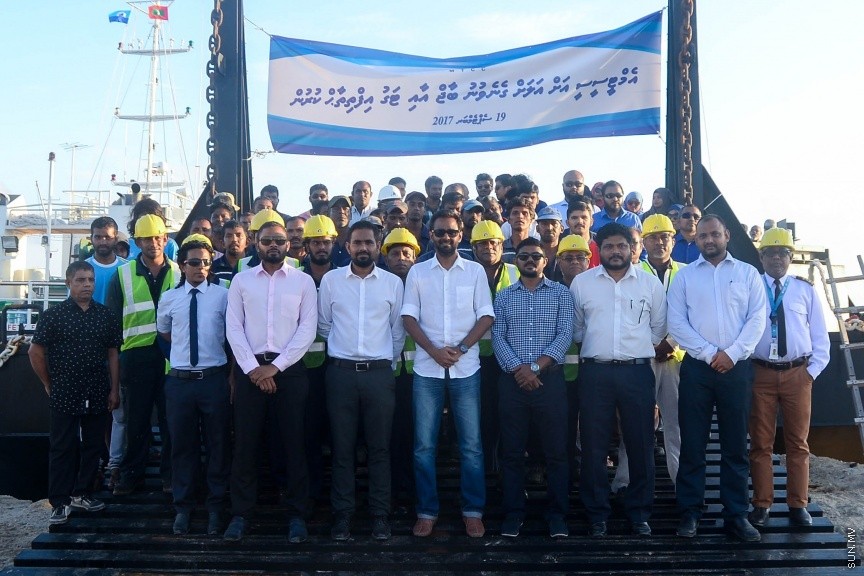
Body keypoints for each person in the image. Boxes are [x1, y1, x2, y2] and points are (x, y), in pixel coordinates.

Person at [667, 214, 767, 542]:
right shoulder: (685, 277)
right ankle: (690, 512)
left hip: (736, 368)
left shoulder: (748, 274)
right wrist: (711, 354)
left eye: (714, 234)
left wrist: (732, 354)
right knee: (693, 443)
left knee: (735, 445)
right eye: (703, 236)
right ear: (695, 240)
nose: (709, 240)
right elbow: (677, 322)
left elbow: (757, 319)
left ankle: (736, 515)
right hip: (698, 368)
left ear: (726, 235)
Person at [401, 209, 495, 538]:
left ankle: (473, 511)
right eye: (439, 232)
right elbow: (408, 318)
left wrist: (462, 348)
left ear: (460, 235)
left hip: (465, 368)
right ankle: (427, 511)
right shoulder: (418, 272)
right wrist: (434, 351)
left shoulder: (475, 271)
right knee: (423, 446)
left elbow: (486, 316)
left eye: (451, 232)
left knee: (471, 446)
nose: (445, 237)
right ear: (431, 235)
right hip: (427, 369)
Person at [570, 222, 667, 538]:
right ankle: (597, 513)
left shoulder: (650, 284)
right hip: (595, 372)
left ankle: (639, 512)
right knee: (594, 445)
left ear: (632, 248)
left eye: (621, 246)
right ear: (600, 249)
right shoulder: (583, 283)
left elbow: (658, 329)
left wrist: (633, 349)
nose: (615, 251)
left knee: (641, 444)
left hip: (636, 372)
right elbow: (577, 330)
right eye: (609, 246)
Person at [223, 219, 317, 543]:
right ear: (256, 243)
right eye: (267, 240)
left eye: (279, 239)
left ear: (288, 244)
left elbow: (307, 330)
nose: (273, 245)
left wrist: (274, 368)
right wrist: (253, 369)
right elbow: (233, 327)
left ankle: (297, 514)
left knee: (294, 443)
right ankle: (240, 514)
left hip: (289, 371)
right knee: (245, 444)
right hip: (250, 369)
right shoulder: (241, 281)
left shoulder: (303, 282)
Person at [318, 220, 406, 541]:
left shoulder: (392, 284)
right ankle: (343, 515)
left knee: (379, 448)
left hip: (379, 375)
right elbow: (324, 325)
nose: (363, 248)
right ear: (347, 246)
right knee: (342, 449)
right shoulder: (331, 281)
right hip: (340, 375)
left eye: (369, 242)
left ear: (377, 246)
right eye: (357, 242)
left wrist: (382, 361)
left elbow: (397, 331)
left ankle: (380, 515)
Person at [492, 237, 575, 539]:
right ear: (516, 261)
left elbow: (565, 334)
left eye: (536, 256)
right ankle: (514, 513)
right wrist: (519, 369)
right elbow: (498, 336)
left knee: (556, 452)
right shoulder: (503, 296)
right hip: (513, 382)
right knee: (512, 452)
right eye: (524, 256)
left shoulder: (561, 294)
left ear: (545, 261)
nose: (530, 260)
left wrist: (535, 368)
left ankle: (557, 515)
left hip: (549, 381)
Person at [748, 228, 830, 529]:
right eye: (770, 253)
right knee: (761, 443)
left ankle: (798, 504)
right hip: (761, 374)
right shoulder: (752, 287)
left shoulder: (804, 290)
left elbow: (820, 336)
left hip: (797, 373)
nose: (776, 259)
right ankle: (762, 504)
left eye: (782, 253)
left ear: (790, 257)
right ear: (761, 257)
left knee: (798, 443)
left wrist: (810, 373)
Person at [30, 261, 122, 525]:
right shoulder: (53, 316)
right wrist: (48, 383)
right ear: (68, 283)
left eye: (90, 280)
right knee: (62, 447)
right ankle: (59, 502)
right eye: (81, 280)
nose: (87, 285)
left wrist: (114, 388)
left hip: (97, 389)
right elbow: (35, 352)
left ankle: (83, 493)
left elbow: (113, 354)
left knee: (94, 445)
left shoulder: (105, 315)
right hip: (65, 390)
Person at [156, 239, 230, 536]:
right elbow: (164, 333)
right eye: (194, 262)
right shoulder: (170, 298)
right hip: (181, 382)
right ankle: (183, 507)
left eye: (206, 262)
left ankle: (215, 507)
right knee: (182, 447)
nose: (201, 268)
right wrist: (183, 355)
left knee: (217, 445)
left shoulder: (223, 296)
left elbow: (232, 334)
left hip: (213, 380)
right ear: (182, 265)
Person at [611, 215, 686, 496]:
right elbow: (626, 318)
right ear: (642, 243)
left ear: (673, 240)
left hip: (675, 361)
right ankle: (624, 481)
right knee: (635, 424)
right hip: (642, 360)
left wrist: (671, 343)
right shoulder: (631, 274)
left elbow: (691, 314)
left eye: (664, 237)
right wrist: (652, 346)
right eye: (653, 238)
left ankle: (682, 484)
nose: (659, 242)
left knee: (676, 425)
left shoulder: (686, 273)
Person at [107, 214, 180, 497]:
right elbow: (114, 322)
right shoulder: (122, 275)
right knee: (136, 421)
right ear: (138, 242)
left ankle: (170, 476)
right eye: (146, 239)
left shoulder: (179, 272)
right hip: (136, 357)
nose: (153, 243)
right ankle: (131, 475)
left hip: (171, 356)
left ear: (165, 239)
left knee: (170, 420)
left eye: (158, 237)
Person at [471, 221, 520, 473]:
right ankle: (485, 468)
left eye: (493, 242)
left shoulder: (516, 271)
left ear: (502, 246)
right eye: (482, 243)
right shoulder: (465, 273)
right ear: (473, 248)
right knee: (481, 415)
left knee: (508, 415)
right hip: (475, 357)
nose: (488, 247)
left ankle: (503, 469)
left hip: (509, 358)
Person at [86, 217, 127, 489]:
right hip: (90, 351)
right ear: (91, 238)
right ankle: (97, 463)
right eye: (98, 236)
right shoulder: (83, 269)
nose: (103, 241)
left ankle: (115, 464)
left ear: (115, 238)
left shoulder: (126, 269)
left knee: (118, 409)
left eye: (107, 236)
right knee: (93, 412)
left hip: (119, 348)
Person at [381, 228, 421, 502]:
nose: (401, 258)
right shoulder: (379, 285)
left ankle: (414, 491)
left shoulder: (424, 285)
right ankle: (394, 490)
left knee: (418, 435)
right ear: (386, 258)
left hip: (419, 373)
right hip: (388, 372)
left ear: (415, 257)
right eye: (395, 253)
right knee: (392, 434)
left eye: (407, 253)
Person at [561, 200, 600, 269]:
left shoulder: (601, 243)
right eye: (574, 218)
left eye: (584, 217)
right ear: (567, 223)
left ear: (591, 222)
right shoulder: (559, 243)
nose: (579, 221)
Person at [501, 197, 536, 263]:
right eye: (515, 213)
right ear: (508, 219)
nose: (520, 216)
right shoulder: (500, 248)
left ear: (531, 220)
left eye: (524, 213)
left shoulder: (537, 248)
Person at [535, 206, 563, 278]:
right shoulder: (532, 253)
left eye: (554, 223)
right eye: (544, 224)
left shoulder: (567, 253)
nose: (549, 228)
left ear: (562, 228)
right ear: (537, 229)